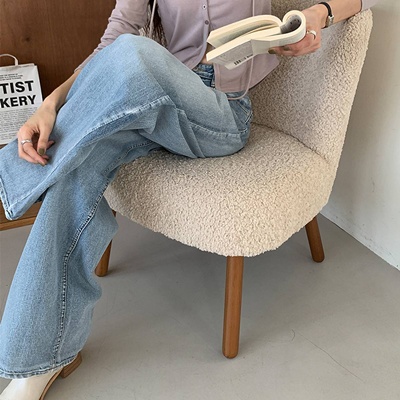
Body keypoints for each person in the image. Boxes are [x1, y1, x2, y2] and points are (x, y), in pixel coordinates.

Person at [0, 0, 378, 399]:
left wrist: (319, 14)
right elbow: (110, 44)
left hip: (220, 115)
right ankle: (43, 357)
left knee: (135, 52)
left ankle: (11, 176)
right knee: (81, 163)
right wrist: (49, 104)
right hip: (149, 104)